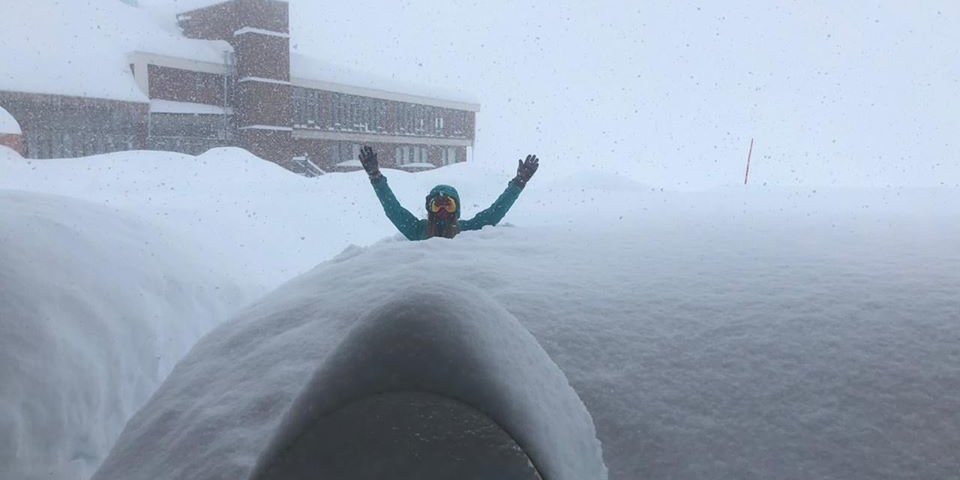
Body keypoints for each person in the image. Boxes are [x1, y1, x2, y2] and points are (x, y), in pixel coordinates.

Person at [358, 146, 538, 240]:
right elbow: (393, 210)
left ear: (456, 209)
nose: (443, 212)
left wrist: (518, 184)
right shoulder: (418, 230)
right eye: (437, 206)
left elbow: (494, 213)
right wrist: (376, 177)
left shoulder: (466, 230)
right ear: (430, 209)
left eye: (448, 205)